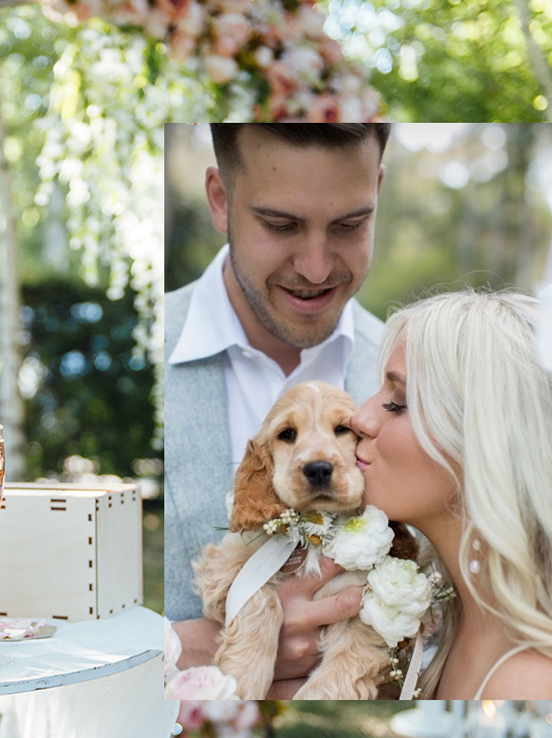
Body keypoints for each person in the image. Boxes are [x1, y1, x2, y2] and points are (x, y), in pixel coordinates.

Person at [164, 123, 392, 695]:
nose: (316, 268)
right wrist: (170, 646)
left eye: (349, 224)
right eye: (280, 225)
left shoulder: (420, 373)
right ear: (220, 199)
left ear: (378, 193)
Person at [352, 289, 552, 699]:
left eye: (398, 402)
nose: (361, 417)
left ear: (487, 441)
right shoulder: (453, 619)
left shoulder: (527, 680)